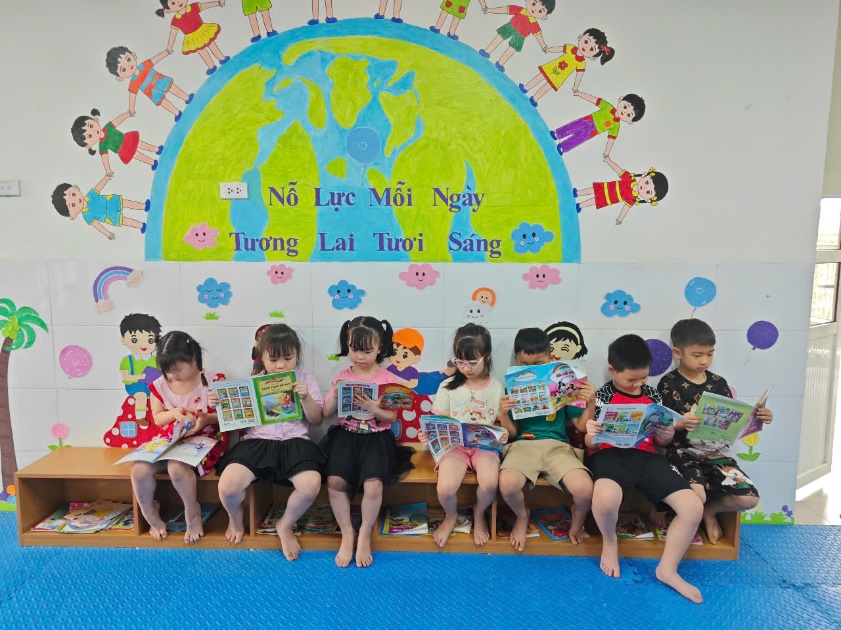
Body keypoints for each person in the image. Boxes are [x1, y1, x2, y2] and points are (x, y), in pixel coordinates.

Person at [586, 334, 704, 604]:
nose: (639, 384)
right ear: (612, 370)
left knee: (693, 507)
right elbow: (589, 443)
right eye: (631, 379)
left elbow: (663, 441)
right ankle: (610, 542)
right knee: (605, 499)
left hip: (647, 457)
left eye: (644, 377)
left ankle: (668, 569)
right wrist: (593, 432)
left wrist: (665, 433)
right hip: (610, 456)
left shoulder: (652, 394)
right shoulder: (603, 394)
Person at [213, 324, 325, 559]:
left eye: (288, 358)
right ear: (262, 357)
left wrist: (305, 398)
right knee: (227, 486)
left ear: (297, 356)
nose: (281, 365)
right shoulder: (251, 383)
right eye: (273, 359)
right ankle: (236, 519)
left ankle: (285, 524)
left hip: (295, 443)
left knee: (311, 485)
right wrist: (223, 405)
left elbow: (316, 420)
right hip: (257, 443)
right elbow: (240, 426)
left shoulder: (306, 380)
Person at [658, 319, 773, 544]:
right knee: (696, 495)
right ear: (677, 353)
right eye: (698, 354)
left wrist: (758, 419)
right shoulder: (668, 383)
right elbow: (662, 425)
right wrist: (682, 423)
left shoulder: (719, 383)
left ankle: (711, 511)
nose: (705, 361)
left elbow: (732, 422)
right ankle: (695, 515)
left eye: (710, 354)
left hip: (718, 453)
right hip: (684, 452)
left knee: (749, 500)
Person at [321, 316, 415, 567]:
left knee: (374, 486)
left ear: (380, 348)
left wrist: (375, 408)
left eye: (367, 351)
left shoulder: (387, 378)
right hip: (346, 437)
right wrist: (336, 392)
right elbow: (325, 413)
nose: (359, 356)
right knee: (334, 482)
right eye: (354, 350)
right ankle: (347, 533)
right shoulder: (343, 374)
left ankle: (364, 533)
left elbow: (391, 417)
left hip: (377, 438)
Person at [497, 328, 594, 551]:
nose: (531, 369)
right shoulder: (511, 388)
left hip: (558, 447)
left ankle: (577, 520)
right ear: (516, 361)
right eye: (524, 365)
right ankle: (522, 516)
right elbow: (510, 434)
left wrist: (590, 402)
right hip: (523, 445)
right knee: (507, 484)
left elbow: (580, 425)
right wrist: (503, 413)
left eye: (539, 364)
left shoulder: (563, 384)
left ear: (551, 359)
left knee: (585, 489)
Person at [130, 331, 228, 544]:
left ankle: (192, 512)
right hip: (171, 439)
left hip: (205, 440)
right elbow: (157, 418)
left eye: (177, 369)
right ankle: (150, 512)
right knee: (138, 470)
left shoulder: (213, 381)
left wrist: (205, 418)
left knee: (176, 467)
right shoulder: (160, 384)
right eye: (167, 371)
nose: (172, 376)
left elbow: (227, 418)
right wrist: (173, 414)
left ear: (193, 359)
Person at [418, 323, 506, 547]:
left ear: (487, 357)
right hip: (454, 447)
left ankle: (479, 514)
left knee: (489, 484)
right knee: (445, 489)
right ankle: (451, 515)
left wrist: (503, 433)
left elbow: (501, 424)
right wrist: (428, 434)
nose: (466, 368)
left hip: (484, 446)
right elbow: (437, 422)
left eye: (472, 362)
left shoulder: (496, 387)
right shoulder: (448, 386)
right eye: (460, 361)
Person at [519, 28, 614, 107]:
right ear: (580, 37)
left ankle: (535, 98)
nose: (586, 47)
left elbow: (579, 76)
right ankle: (526, 87)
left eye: (592, 49)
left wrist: (576, 87)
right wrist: (549, 50)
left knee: (547, 86)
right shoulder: (570, 48)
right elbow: (559, 49)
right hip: (552, 67)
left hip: (560, 76)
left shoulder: (581, 63)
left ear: (593, 57)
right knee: (540, 77)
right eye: (586, 41)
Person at [105, 47, 193, 121]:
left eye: (128, 59)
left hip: (159, 80)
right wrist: (131, 109)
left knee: (172, 87)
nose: (128, 66)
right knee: (163, 102)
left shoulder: (144, 65)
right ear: (120, 77)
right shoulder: (133, 82)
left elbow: (155, 59)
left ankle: (187, 97)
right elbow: (132, 95)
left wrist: (166, 52)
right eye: (123, 69)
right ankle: (176, 112)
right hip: (151, 92)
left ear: (133, 55)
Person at [51, 176, 149, 239]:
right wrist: (107, 234)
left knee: (127, 203)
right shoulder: (87, 215)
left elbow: (98, 187)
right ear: (72, 216)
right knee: (124, 221)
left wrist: (105, 178)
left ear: (76, 188)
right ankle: (141, 226)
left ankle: (144, 206)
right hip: (109, 216)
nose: (76, 200)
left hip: (111, 201)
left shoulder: (90, 196)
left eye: (73, 194)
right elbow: (97, 225)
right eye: (72, 205)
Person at [70, 109, 162, 175]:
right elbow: (105, 158)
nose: (93, 131)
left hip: (126, 139)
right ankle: (152, 162)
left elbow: (117, 121)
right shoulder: (102, 145)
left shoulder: (108, 127)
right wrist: (107, 169)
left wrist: (127, 114)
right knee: (137, 155)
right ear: (89, 144)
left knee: (141, 144)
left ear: (95, 120)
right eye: (89, 136)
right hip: (123, 150)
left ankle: (156, 149)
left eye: (91, 126)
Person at [156, 0, 230, 76]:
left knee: (211, 44)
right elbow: (172, 34)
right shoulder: (176, 20)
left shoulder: (192, 7)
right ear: (168, 10)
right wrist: (169, 47)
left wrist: (218, 3)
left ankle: (221, 58)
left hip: (202, 30)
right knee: (202, 51)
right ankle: (211, 66)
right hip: (193, 37)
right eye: (173, 3)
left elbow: (205, 5)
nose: (178, 2)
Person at [479, 1, 554, 72]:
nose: (535, 9)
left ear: (544, 17)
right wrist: (489, 10)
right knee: (499, 38)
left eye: (540, 11)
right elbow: (504, 10)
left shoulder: (534, 24)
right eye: (534, 3)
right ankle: (487, 51)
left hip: (520, 36)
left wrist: (543, 45)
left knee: (512, 49)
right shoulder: (519, 10)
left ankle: (500, 63)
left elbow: (538, 35)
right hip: (510, 27)